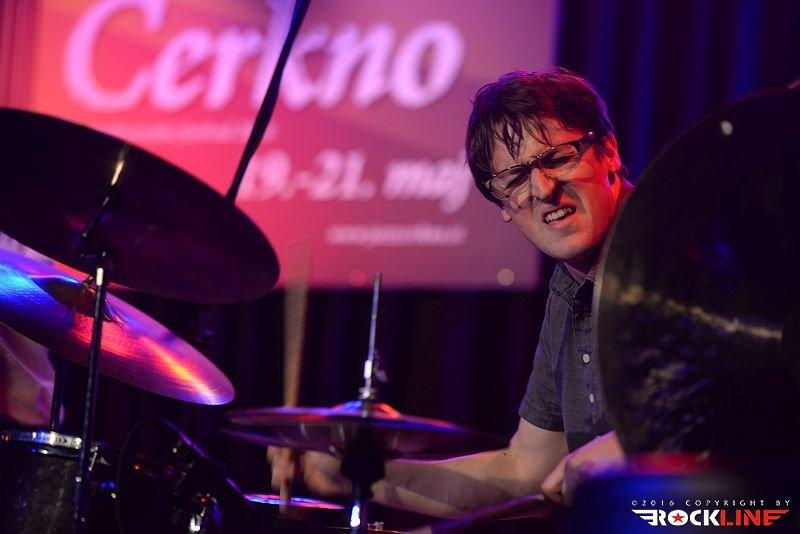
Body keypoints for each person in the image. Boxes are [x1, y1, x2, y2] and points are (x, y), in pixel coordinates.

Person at [268, 68, 633, 517]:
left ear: (608, 152)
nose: (543, 189)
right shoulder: (569, 288)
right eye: (516, 178)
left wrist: (639, 446)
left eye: (558, 158)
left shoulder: (682, 247)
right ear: (501, 204)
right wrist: (355, 472)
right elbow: (525, 470)